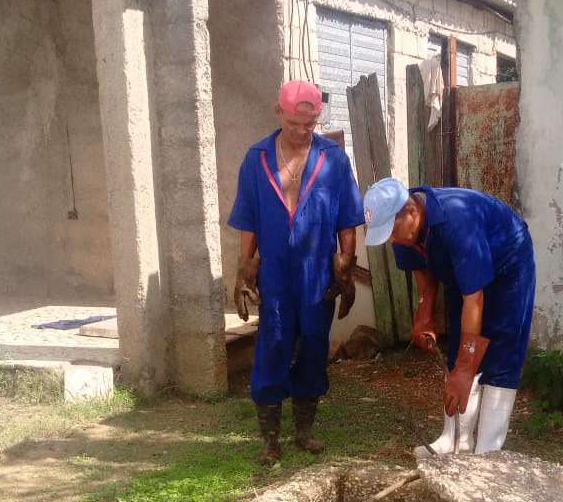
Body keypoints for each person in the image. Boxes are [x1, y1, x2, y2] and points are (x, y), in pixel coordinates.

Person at [227, 80, 364, 465]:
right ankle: (270, 439)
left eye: (310, 124)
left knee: (314, 347)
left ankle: (304, 431)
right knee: (272, 345)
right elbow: (248, 221)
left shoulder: (333, 158)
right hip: (275, 274)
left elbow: (347, 218)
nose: (302, 131)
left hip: (317, 275)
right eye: (294, 123)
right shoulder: (256, 159)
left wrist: (345, 264)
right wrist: (245, 270)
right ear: (278, 113)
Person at [362, 178, 535, 456]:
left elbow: (474, 299)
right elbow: (421, 267)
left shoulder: (457, 220)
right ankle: (455, 441)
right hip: (463, 273)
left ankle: (488, 453)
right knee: (457, 345)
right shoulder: (401, 227)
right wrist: (424, 312)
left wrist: (467, 367)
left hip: (508, 264)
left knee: (501, 353)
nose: (391, 240)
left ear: (412, 212)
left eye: (391, 231)